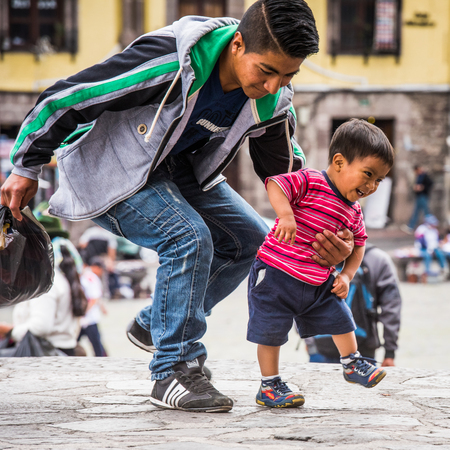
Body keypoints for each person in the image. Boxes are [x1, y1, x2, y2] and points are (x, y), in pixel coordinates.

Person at [1, 0, 354, 412]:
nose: (275, 86)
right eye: (267, 71)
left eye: (289, 75)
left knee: (253, 239)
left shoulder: (271, 101)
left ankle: (159, 323)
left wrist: (323, 236)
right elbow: (69, 96)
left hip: (175, 170)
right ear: (238, 45)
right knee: (187, 237)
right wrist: (26, 165)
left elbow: (288, 176)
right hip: (109, 170)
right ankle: (171, 369)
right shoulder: (170, 61)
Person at [247, 119, 394, 408]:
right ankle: (269, 385)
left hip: (317, 280)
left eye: (379, 179)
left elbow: (360, 243)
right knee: (270, 330)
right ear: (339, 162)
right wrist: (286, 215)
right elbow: (276, 183)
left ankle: (352, 363)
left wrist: (348, 275)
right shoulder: (311, 180)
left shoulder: (353, 211)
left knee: (340, 316)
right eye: (368, 174)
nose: (372, 185)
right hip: (276, 273)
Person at [0, 214, 86, 356]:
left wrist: (8, 330)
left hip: (47, 352)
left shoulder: (46, 282)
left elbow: (40, 327)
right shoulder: (57, 276)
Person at [305, 243, 402, 367]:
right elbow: (391, 309)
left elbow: (299, 298)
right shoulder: (378, 259)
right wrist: (390, 352)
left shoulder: (312, 253)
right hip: (363, 350)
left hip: (320, 345)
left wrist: (309, 341)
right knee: (362, 383)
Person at [78, 257, 108, 357]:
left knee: (95, 342)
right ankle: (102, 359)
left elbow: (96, 297)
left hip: (86, 316)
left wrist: (102, 307)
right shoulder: (91, 277)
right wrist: (84, 312)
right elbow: (94, 298)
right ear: (96, 267)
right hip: (89, 318)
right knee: (97, 345)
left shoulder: (86, 275)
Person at [414, 214, 447, 282]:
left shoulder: (434, 230)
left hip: (433, 247)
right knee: (427, 255)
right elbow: (421, 242)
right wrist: (429, 249)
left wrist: (438, 244)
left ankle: (443, 269)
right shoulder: (421, 229)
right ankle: (427, 271)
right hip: (423, 248)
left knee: (440, 253)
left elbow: (436, 240)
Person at [403, 165, 434, 233]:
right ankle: (411, 226)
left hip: (423, 196)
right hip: (419, 196)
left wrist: (422, 187)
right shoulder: (418, 176)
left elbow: (430, 183)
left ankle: (431, 226)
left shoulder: (424, 176)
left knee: (426, 212)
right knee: (416, 212)